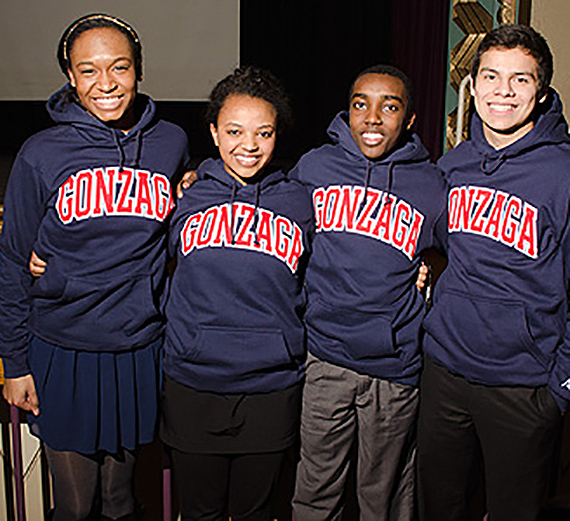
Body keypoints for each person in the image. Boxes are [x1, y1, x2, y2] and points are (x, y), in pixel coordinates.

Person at [0, 14, 190, 521]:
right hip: (64, 348)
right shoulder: (41, 153)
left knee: (122, 501)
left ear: (139, 70)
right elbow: (15, 260)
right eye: (88, 71)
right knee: (76, 506)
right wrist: (15, 363)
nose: (105, 84)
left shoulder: (169, 142)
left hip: (136, 347)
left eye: (119, 68)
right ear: (70, 76)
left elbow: (177, 227)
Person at [418, 24, 568, 521]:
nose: (502, 91)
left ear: (541, 90)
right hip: (444, 373)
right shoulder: (455, 163)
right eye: (490, 76)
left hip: (523, 387)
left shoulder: (563, 174)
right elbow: (433, 240)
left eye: (520, 80)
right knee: (440, 508)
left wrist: (560, 391)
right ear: (473, 85)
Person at [291, 65, 448, 520]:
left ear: (410, 120)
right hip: (323, 357)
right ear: (348, 110)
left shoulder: (431, 185)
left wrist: (429, 274)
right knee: (316, 489)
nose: (373, 118)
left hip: (393, 368)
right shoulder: (315, 167)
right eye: (362, 104)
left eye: (390, 106)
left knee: (384, 496)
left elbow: (462, 252)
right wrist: (199, 178)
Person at [160, 66, 313, 520]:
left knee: (257, 512)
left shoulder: (300, 201)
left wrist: (416, 266)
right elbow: (132, 254)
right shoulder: (184, 198)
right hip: (193, 384)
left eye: (263, 132)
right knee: (199, 512)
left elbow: (337, 266)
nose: (248, 145)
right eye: (234, 131)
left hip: (270, 388)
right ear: (213, 132)